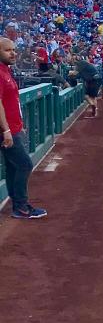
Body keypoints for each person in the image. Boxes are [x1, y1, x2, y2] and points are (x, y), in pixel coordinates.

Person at [0, 35, 48, 219]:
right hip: (6, 130)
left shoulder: (6, 70)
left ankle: (16, 204)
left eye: (13, 49)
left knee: (14, 167)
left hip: (13, 128)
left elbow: (12, 101)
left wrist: (19, 125)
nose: (13, 53)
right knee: (25, 165)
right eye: (7, 50)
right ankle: (21, 206)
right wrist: (6, 130)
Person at [70, 48, 102, 117]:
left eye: (74, 58)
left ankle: (94, 110)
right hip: (92, 80)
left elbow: (75, 73)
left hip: (94, 79)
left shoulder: (81, 63)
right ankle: (94, 109)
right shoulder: (80, 65)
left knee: (91, 97)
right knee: (89, 96)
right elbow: (78, 75)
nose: (73, 60)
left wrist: (70, 73)